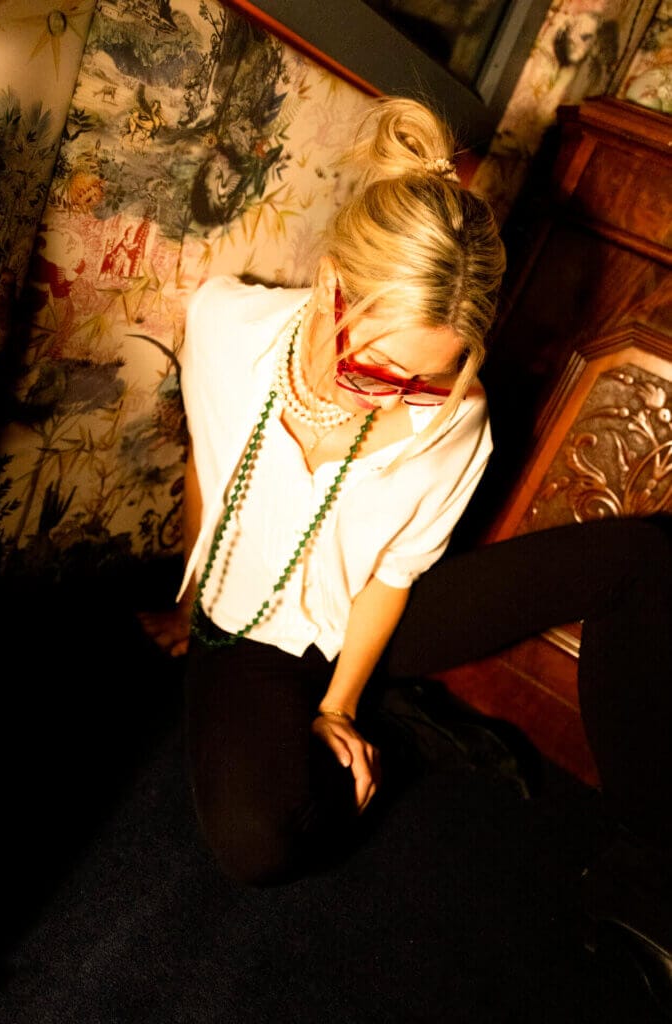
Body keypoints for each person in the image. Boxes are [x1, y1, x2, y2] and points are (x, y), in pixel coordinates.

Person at [138, 95, 671, 1011]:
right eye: (380, 367)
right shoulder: (225, 327)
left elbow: (392, 575)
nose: (401, 397)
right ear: (333, 284)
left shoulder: (454, 419)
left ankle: (654, 864)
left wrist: (338, 707)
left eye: (432, 377)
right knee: (257, 848)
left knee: (649, 556)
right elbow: (207, 454)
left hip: (372, 614)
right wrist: (194, 596)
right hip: (255, 631)